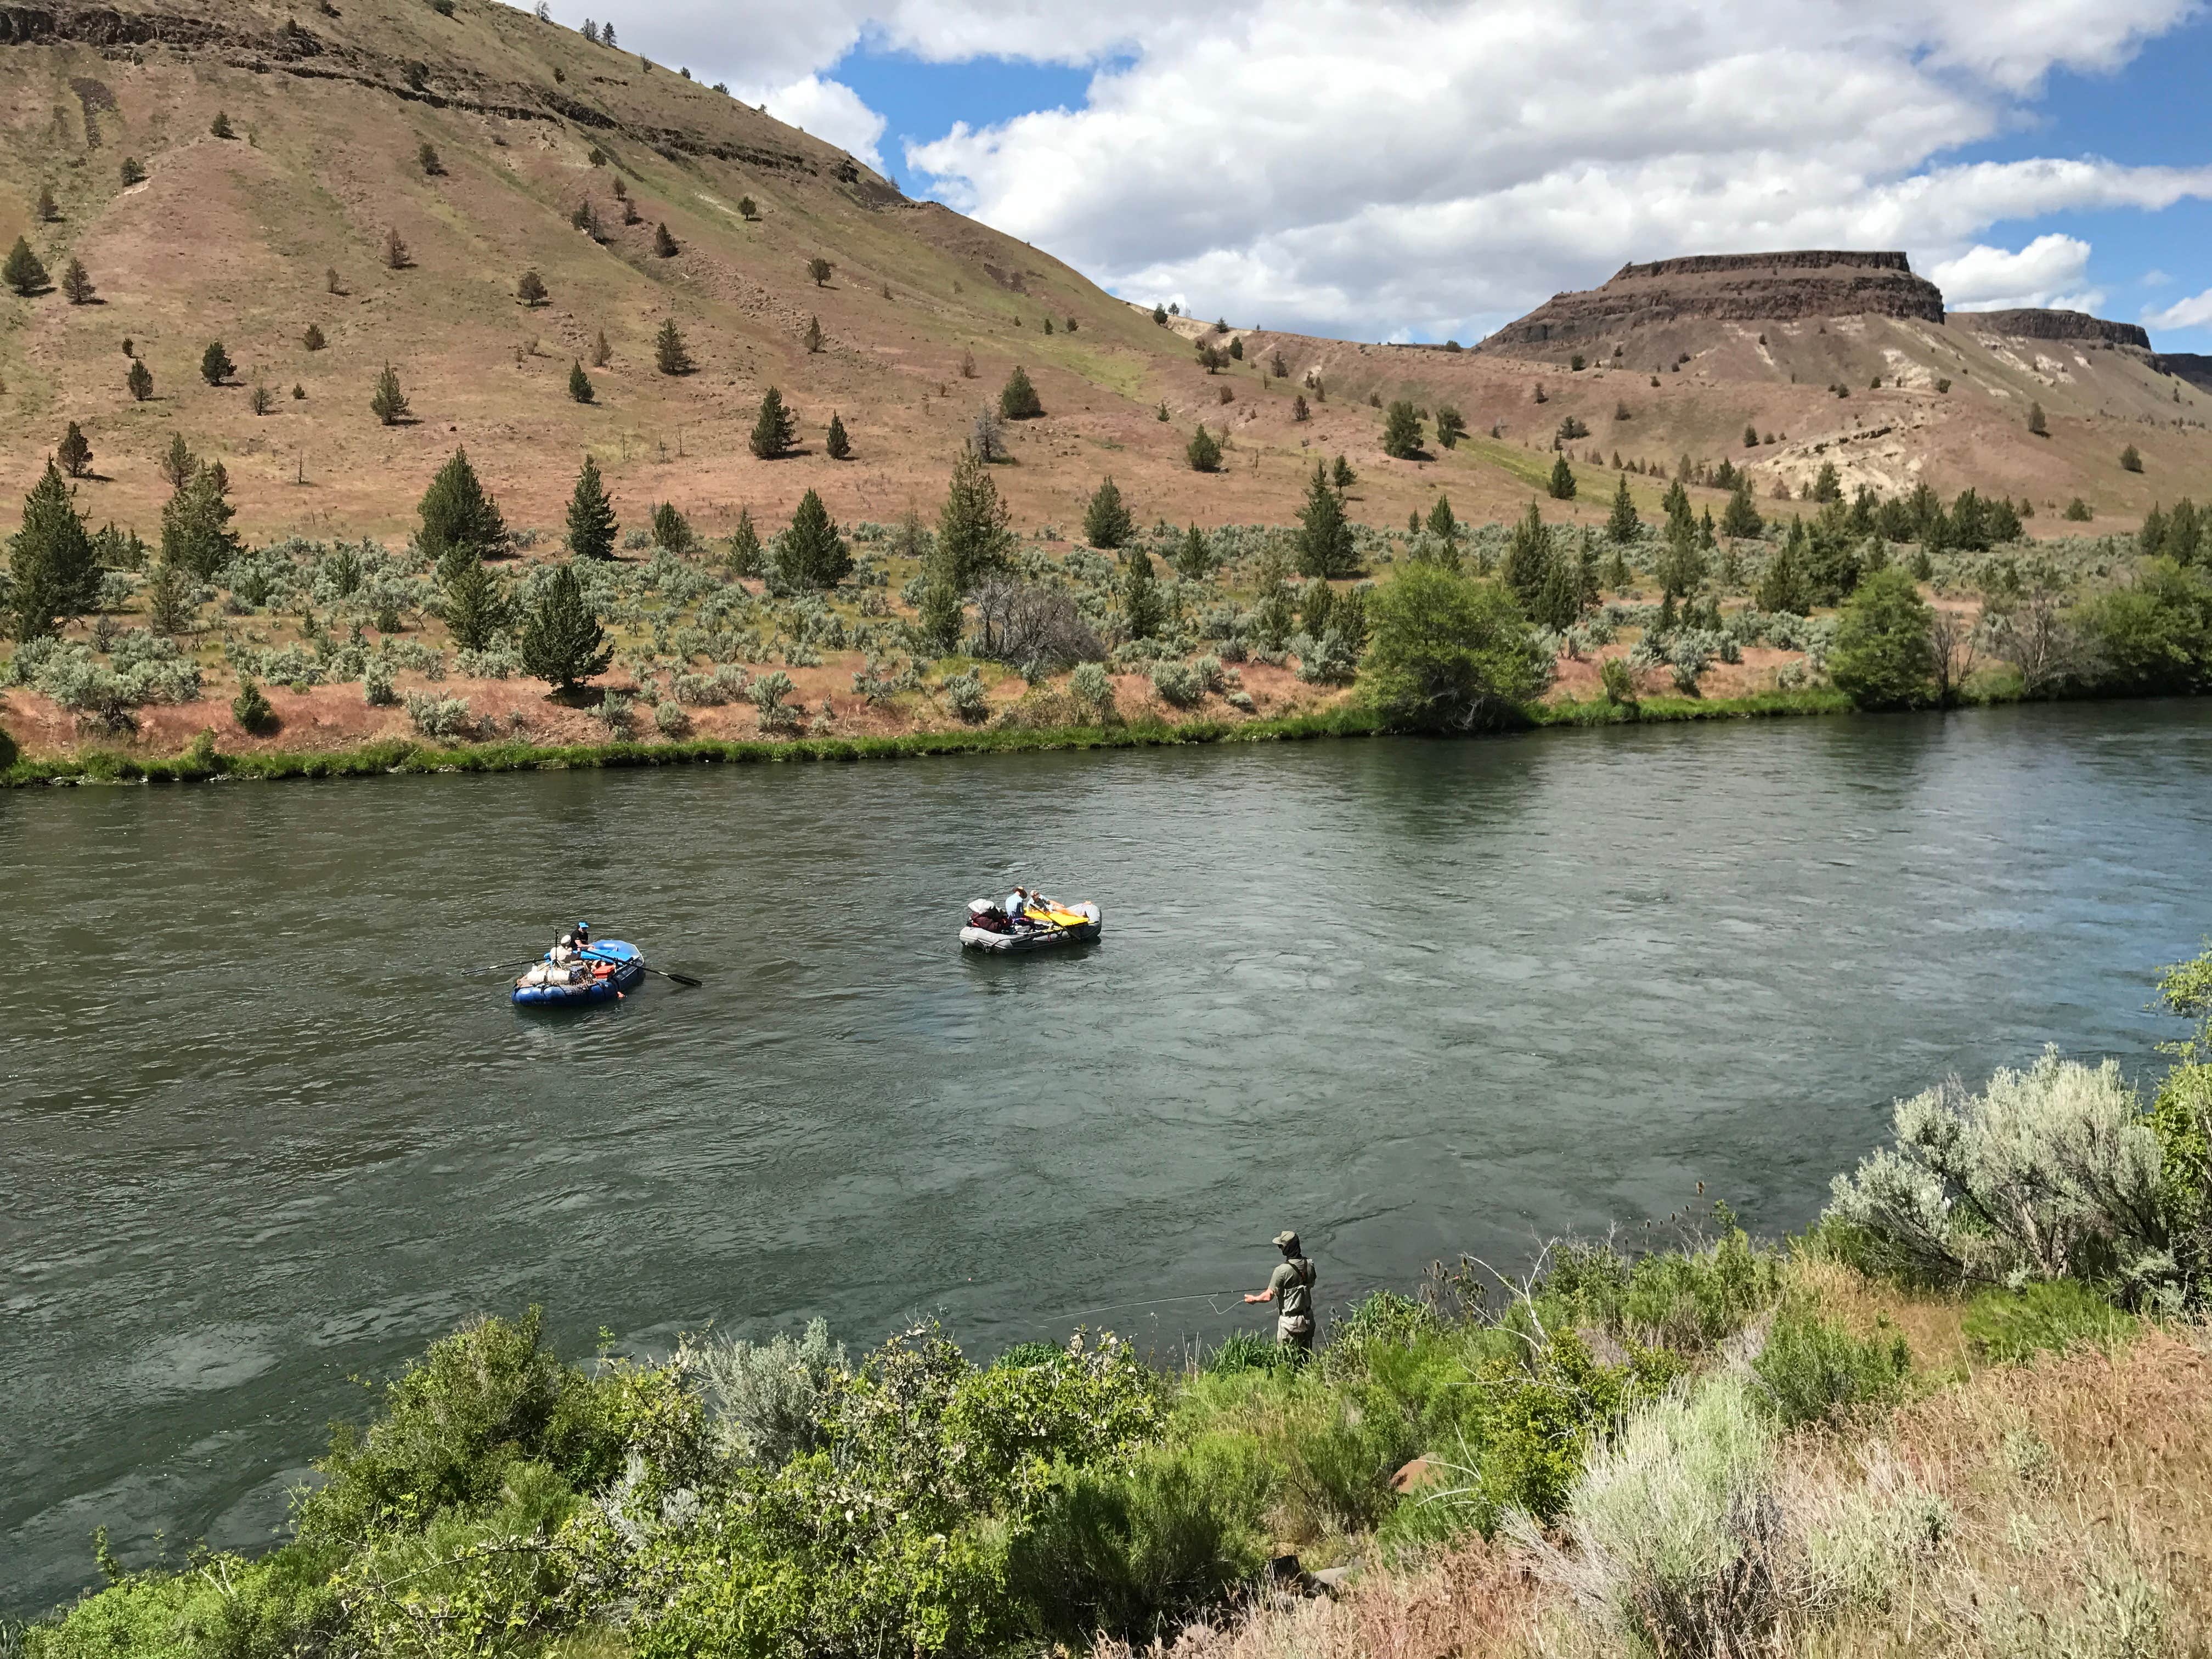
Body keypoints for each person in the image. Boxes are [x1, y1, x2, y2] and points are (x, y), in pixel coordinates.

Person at [1244, 1229, 1317, 1358]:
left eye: (1281, 1246)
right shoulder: (1310, 1264)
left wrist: (1254, 1299)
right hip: (1308, 1318)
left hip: (1290, 1323)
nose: (1280, 1248)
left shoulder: (1281, 1271)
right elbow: (1311, 1284)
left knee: (1285, 1358)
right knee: (1306, 1358)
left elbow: (1268, 1296)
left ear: (1288, 1248)